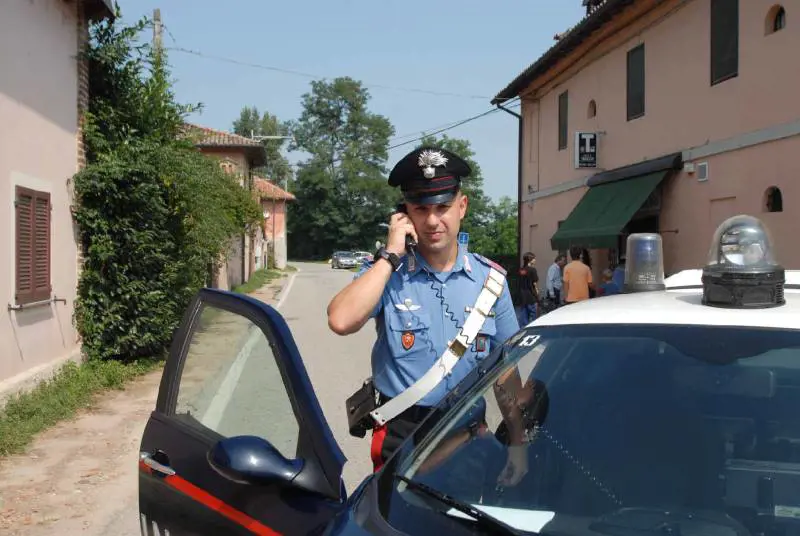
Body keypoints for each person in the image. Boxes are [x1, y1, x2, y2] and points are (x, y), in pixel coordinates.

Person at [327, 146, 524, 478]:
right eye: (420, 208)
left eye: (443, 207)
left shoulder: (492, 282)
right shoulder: (387, 275)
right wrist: (390, 255)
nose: (432, 220)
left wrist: (518, 445)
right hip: (402, 437)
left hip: (468, 435)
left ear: (462, 207)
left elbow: (506, 373)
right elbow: (340, 320)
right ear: (404, 214)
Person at [517, 252, 539, 325]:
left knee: (523, 319)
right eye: (534, 259)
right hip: (531, 297)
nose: (535, 260)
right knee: (533, 319)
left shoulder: (521, 270)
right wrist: (537, 291)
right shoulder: (533, 270)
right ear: (530, 260)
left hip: (522, 297)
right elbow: (534, 283)